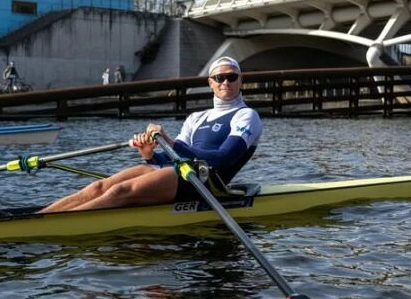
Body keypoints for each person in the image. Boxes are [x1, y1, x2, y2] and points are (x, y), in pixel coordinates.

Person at [42, 56, 263, 213]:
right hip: (182, 172)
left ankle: (57, 224)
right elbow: (174, 156)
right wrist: (151, 156)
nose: (225, 82)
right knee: (99, 187)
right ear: (210, 83)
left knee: (121, 190)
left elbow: (222, 160)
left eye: (232, 77)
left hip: (207, 181)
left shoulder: (246, 116)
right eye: (220, 77)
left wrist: (168, 141)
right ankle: (41, 217)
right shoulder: (196, 117)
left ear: (240, 81)